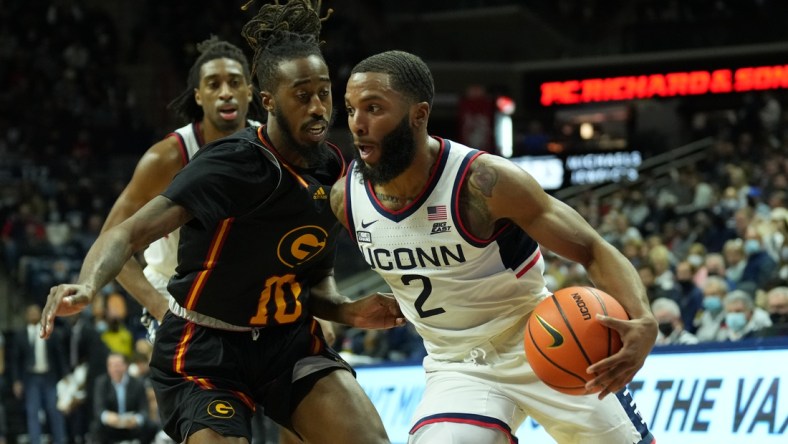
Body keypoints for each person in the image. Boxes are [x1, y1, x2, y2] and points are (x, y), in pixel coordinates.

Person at [40, 1, 402, 443]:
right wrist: (89, 285)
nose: (318, 108)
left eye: (324, 93)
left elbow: (314, 280)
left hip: (285, 342)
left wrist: (348, 310)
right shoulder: (225, 162)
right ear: (268, 100)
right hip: (205, 344)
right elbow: (125, 232)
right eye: (302, 96)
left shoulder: (330, 170)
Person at [333, 50, 657, 444]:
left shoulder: (484, 182)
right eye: (350, 110)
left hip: (543, 338)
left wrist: (643, 317)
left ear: (418, 115)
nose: (358, 125)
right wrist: (344, 310)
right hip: (457, 366)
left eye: (373, 108)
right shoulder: (346, 199)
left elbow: (591, 247)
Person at [99, 35, 262, 335]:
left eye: (235, 82)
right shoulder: (167, 156)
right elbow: (110, 239)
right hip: (176, 295)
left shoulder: (272, 147)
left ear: (250, 92)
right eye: (214, 84)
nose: (226, 93)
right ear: (198, 96)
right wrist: (163, 311)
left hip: (247, 297)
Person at [11, 304, 69, 444]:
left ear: (41, 314)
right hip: (31, 378)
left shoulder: (50, 331)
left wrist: (65, 375)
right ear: (26, 316)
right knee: (33, 412)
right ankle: (35, 441)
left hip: (50, 376)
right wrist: (16, 380)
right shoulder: (20, 335)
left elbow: (59, 355)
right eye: (30, 313)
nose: (33, 315)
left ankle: (59, 440)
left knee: (54, 410)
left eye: (36, 312)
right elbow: (15, 360)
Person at [91, 352, 157, 444]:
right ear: (108, 367)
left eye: (118, 365)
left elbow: (144, 409)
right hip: (111, 425)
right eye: (112, 365)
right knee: (96, 427)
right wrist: (107, 417)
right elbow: (98, 409)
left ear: (125, 366)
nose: (115, 369)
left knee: (151, 426)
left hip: (131, 425)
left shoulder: (137, 383)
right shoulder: (101, 383)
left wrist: (136, 419)